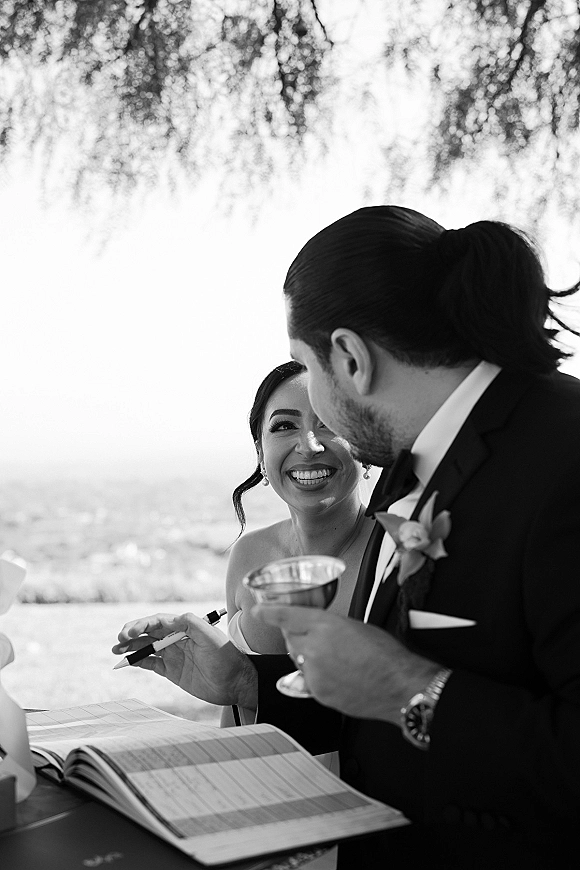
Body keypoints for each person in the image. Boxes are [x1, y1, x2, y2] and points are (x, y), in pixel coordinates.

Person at [113, 206, 580, 869]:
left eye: (309, 370)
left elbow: (407, 689)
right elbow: (382, 701)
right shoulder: (408, 467)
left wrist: (413, 690)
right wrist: (249, 681)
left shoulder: (565, 457)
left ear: (349, 358)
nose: (317, 421)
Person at [222, 360, 373, 727]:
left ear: (367, 443)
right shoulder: (248, 556)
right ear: (260, 450)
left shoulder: (392, 553)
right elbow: (235, 717)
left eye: (331, 422)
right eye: (285, 426)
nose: (308, 445)